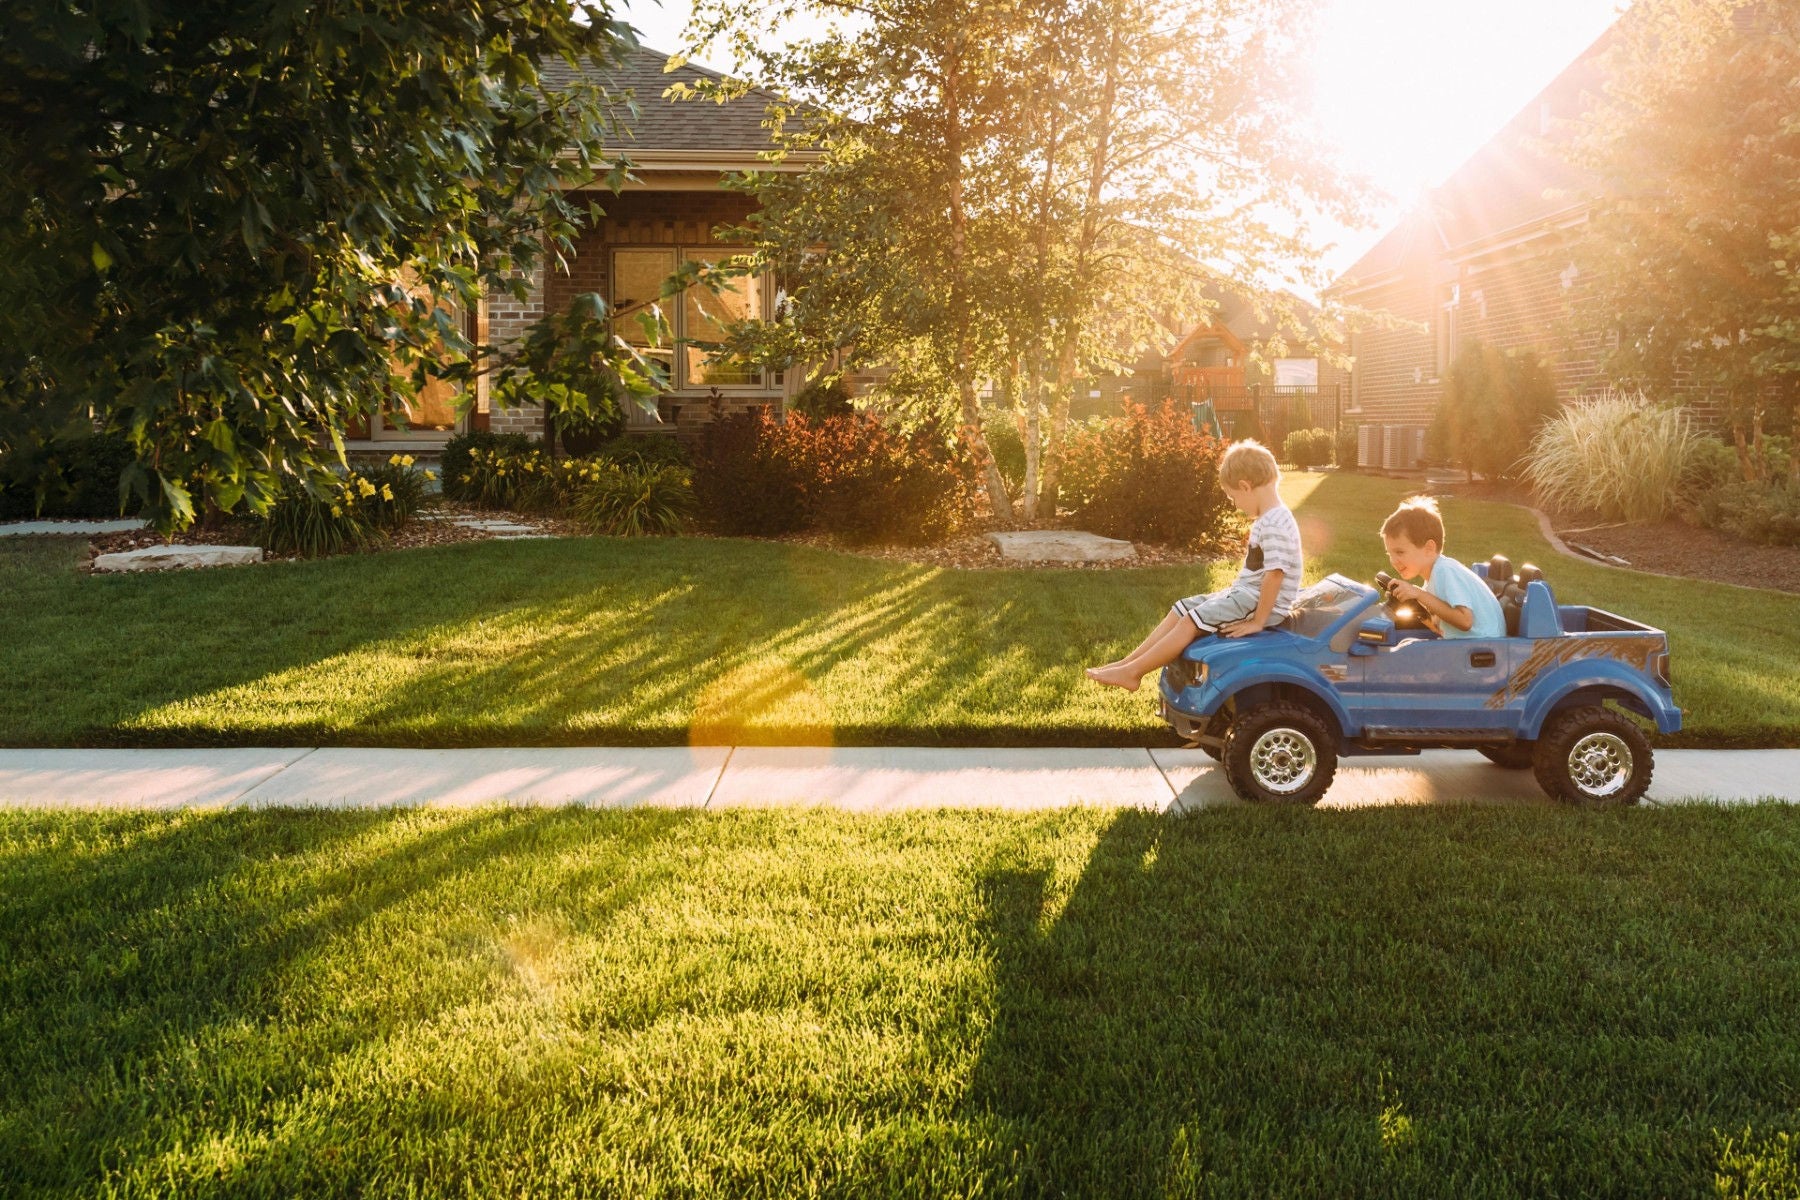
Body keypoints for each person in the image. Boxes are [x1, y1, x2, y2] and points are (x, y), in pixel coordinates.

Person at [1086, 439, 1301, 691]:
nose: (1235, 505)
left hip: (1256, 604)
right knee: (1180, 609)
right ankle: (1126, 664)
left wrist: (1258, 621)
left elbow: (1275, 574)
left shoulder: (1274, 522)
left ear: (1245, 486)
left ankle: (1133, 673)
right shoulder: (1271, 518)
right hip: (1246, 596)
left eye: (1233, 497)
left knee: (1190, 621)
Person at [1379, 495, 1505, 639]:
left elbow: (1465, 621)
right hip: (1465, 647)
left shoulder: (1445, 571)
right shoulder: (1432, 578)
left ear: (1429, 548)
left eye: (1400, 552)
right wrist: (1416, 604)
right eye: (1390, 553)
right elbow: (1440, 625)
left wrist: (1419, 594)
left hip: (1483, 647)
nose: (1394, 561)